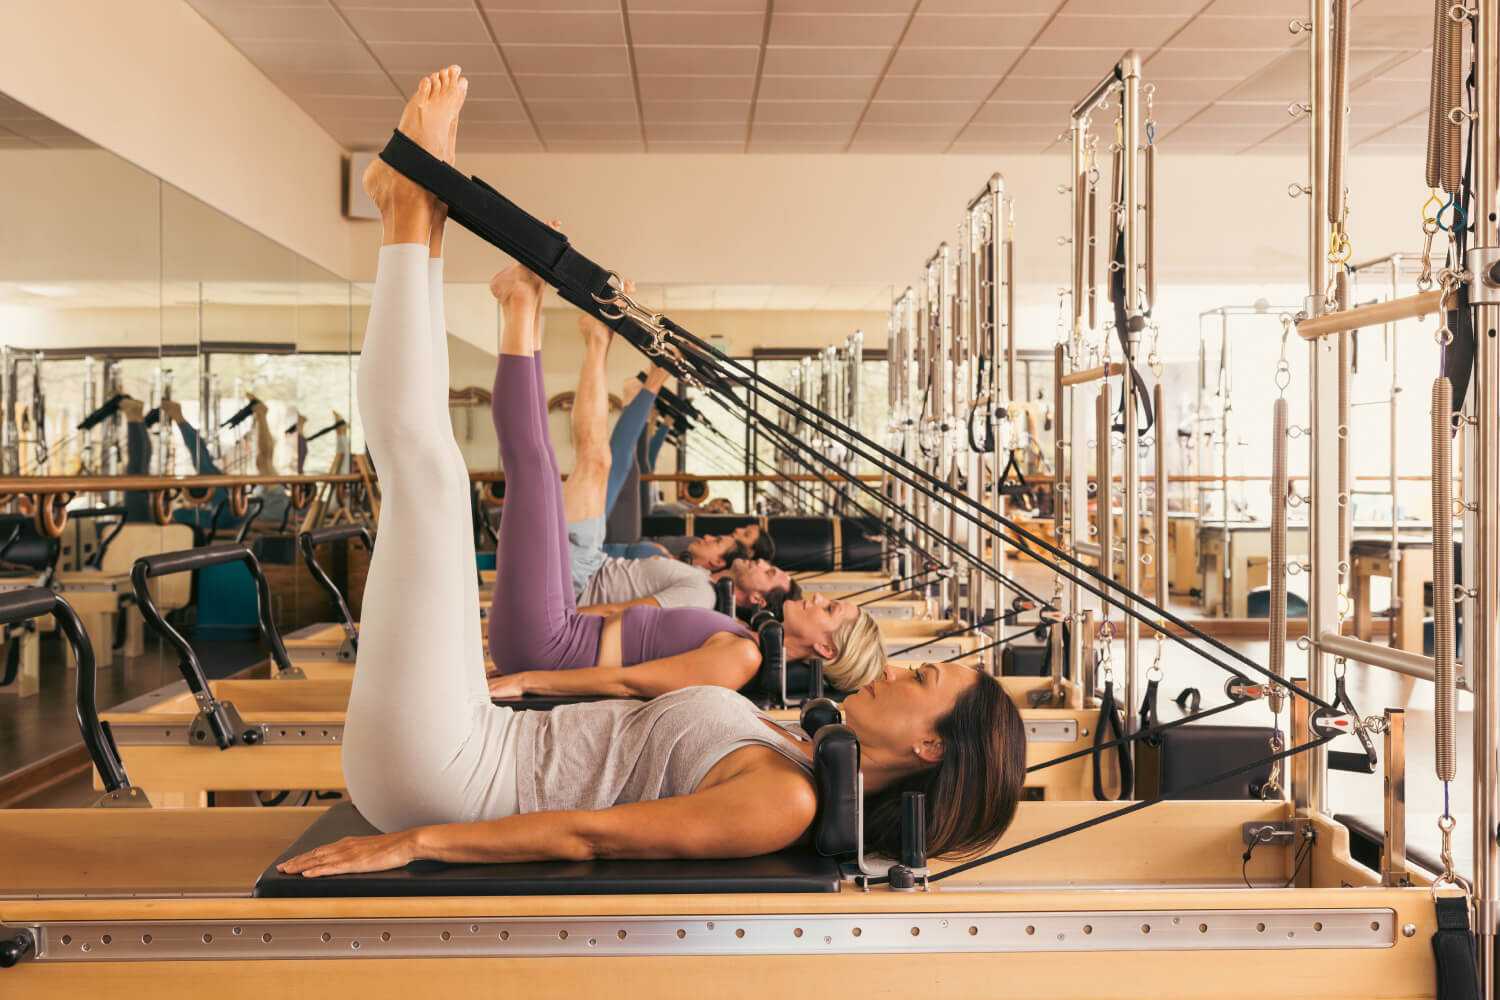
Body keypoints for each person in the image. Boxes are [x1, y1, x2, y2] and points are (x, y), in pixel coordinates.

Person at [279, 69, 1025, 879]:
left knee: (430, 480)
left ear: (928, 743)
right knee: (436, 481)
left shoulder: (788, 798)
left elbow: (590, 835)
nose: (896, 675)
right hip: (476, 738)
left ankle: (411, 212)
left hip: (456, 775)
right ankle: (409, 211)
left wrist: (418, 841)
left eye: (923, 677)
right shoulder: (792, 742)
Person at [484, 255, 886, 696]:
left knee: (534, 468)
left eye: (828, 610)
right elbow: (620, 633)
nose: (816, 599)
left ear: (826, 650)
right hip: (561, 627)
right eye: (830, 600)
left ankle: (521, 303)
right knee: (539, 465)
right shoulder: (741, 637)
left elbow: (629, 681)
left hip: (551, 646)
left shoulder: (743, 658)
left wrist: (528, 681)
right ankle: (523, 302)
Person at [555, 314, 797, 616]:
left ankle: (634, 371)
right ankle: (630, 371)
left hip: (585, 569)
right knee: (608, 460)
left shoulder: (698, 588)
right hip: (591, 560)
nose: (731, 533)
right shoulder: (695, 573)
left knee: (604, 461)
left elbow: (616, 613)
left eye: (768, 571)